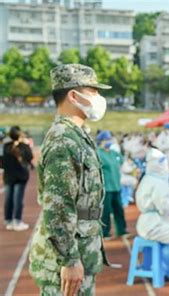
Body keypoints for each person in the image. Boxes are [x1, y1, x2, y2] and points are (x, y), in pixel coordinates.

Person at [29, 64, 110, 296]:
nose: (99, 97)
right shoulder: (64, 140)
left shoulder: (77, 135)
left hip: (81, 247)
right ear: (74, 96)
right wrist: (70, 259)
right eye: (93, 91)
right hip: (66, 258)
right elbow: (58, 205)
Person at [97, 130, 128, 239]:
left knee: (119, 209)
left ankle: (122, 230)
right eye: (107, 139)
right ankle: (105, 232)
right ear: (101, 141)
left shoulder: (113, 153)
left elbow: (121, 160)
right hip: (106, 187)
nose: (109, 141)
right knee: (106, 211)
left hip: (116, 186)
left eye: (110, 139)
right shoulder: (98, 153)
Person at [3, 126, 33, 231]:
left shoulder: (6, 146)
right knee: (17, 199)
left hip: (8, 176)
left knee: (9, 199)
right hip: (20, 176)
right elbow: (29, 157)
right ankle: (17, 220)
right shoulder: (23, 146)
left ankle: (8, 220)